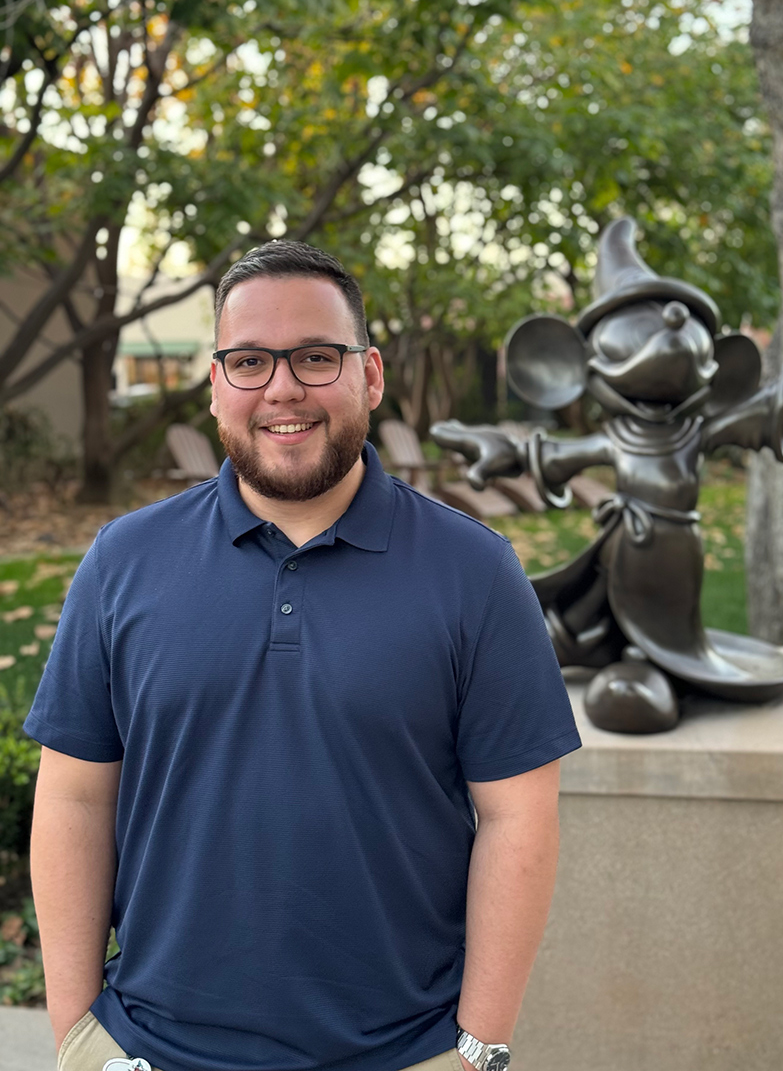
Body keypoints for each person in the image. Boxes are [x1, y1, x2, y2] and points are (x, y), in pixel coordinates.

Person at [26, 241, 582, 1071]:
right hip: (150, 1049)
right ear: (216, 386)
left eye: (316, 357)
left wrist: (477, 1048)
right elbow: (74, 801)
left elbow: (518, 820)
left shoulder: (475, 572)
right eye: (249, 361)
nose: (282, 388)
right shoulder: (123, 562)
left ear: (370, 375)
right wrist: (75, 1034)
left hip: (403, 1051)